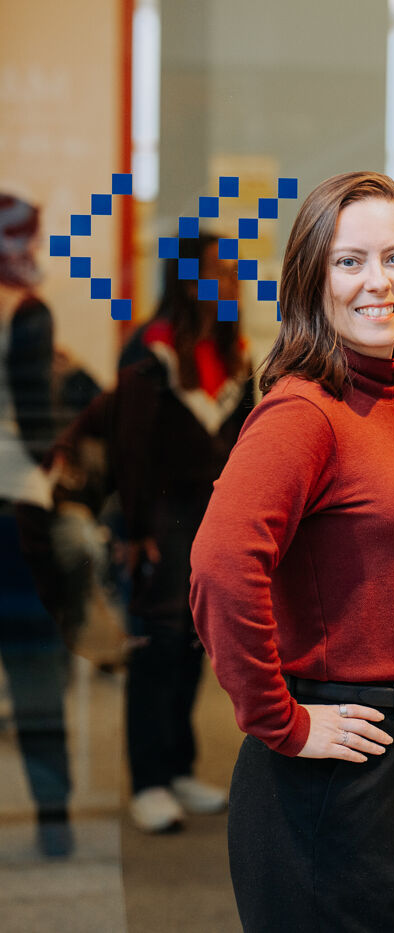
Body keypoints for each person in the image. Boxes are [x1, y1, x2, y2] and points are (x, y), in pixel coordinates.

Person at [189, 172, 394, 931]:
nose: (379, 282)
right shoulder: (304, 410)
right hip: (334, 764)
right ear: (311, 281)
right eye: (350, 262)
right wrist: (283, 720)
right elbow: (219, 566)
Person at [106, 231, 253, 833]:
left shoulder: (232, 349)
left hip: (211, 519)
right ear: (189, 278)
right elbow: (129, 444)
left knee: (196, 643)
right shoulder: (151, 346)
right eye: (220, 269)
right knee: (157, 646)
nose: (231, 280)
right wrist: (135, 527)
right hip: (158, 520)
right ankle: (149, 780)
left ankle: (180, 766)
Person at [0, 193, 74, 858]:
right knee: (32, 671)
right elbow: (35, 422)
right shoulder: (26, 310)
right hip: (13, 512)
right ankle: (53, 817)